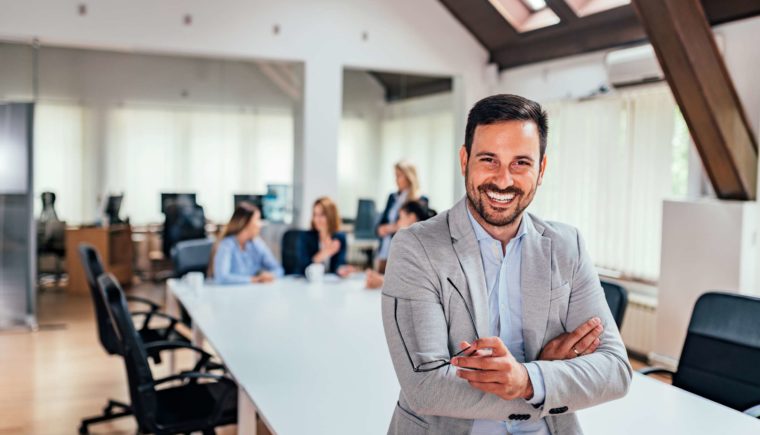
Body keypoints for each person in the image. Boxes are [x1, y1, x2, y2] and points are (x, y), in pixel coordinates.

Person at [381, 94, 631, 435]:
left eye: (520, 163)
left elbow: (614, 370)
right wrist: (543, 381)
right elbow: (426, 386)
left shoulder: (566, 246)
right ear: (464, 160)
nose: (503, 180)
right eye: (489, 160)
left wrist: (527, 378)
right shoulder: (417, 247)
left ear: (541, 169)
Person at [365, 200, 435, 289]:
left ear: (412, 218)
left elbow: (417, 283)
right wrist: (381, 278)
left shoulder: (422, 246)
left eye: (400, 218)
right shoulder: (409, 244)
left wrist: (382, 281)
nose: (397, 223)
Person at [211, 202, 284, 284]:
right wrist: (255, 280)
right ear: (246, 223)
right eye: (257, 220)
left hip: (251, 291)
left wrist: (271, 275)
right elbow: (222, 278)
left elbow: (278, 269)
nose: (260, 224)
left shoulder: (256, 243)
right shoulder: (227, 245)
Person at [375, 160, 426, 273]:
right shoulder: (392, 197)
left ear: (409, 177)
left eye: (398, 176)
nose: (396, 180)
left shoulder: (420, 200)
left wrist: (391, 228)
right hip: (385, 250)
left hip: (403, 254)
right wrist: (382, 229)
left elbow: (419, 228)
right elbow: (382, 223)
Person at [297, 197, 347, 275]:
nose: (317, 219)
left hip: (331, 283)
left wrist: (343, 270)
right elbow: (303, 268)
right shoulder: (306, 237)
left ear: (331, 216)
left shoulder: (340, 238)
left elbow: (339, 265)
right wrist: (325, 253)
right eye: (315, 215)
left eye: (322, 215)